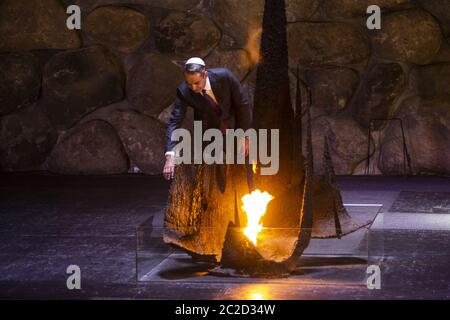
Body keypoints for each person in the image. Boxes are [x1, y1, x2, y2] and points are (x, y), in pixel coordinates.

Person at [163, 57, 252, 180]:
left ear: (205, 75)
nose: (193, 88)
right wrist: (170, 155)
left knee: (243, 167)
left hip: (234, 123)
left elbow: (243, 105)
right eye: (189, 84)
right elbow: (174, 122)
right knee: (210, 175)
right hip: (208, 130)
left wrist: (245, 136)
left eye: (196, 83)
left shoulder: (224, 76)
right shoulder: (183, 91)